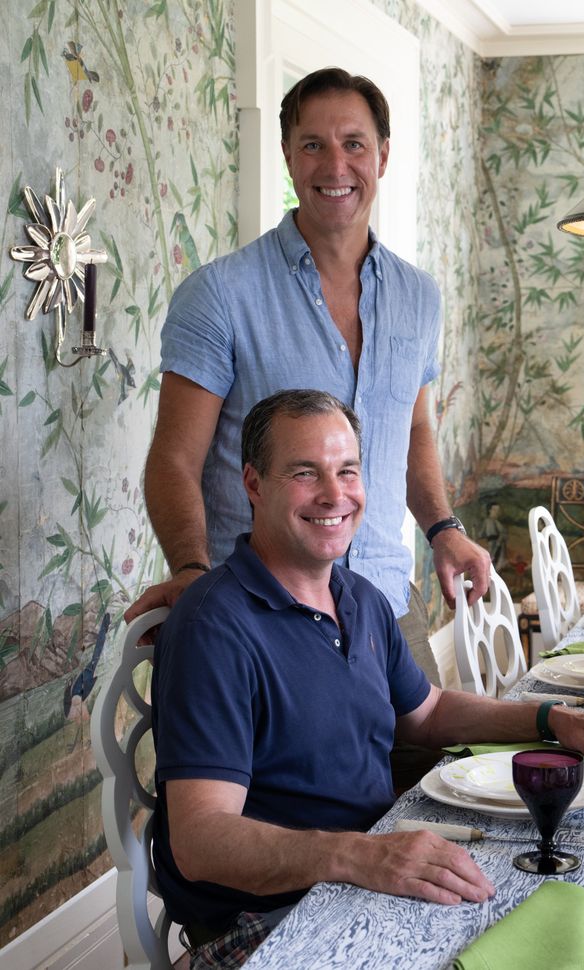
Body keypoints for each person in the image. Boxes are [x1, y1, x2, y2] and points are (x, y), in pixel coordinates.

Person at [151, 390, 584, 969]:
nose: (334, 495)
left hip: (369, 870)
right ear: (253, 484)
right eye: (305, 473)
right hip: (267, 923)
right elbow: (200, 842)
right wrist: (358, 857)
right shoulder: (214, 626)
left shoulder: (361, 599)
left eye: (347, 471)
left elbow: (428, 714)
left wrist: (552, 719)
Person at [125, 67, 489, 653]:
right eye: (313, 145)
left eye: (354, 144)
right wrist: (191, 572)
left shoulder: (419, 297)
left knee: (434, 748)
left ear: (384, 155)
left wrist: (444, 530)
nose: (335, 167)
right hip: (259, 616)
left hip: (388, 608)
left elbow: (413, 429)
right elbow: (173, 457)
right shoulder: (220, 294)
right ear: (289, 159)